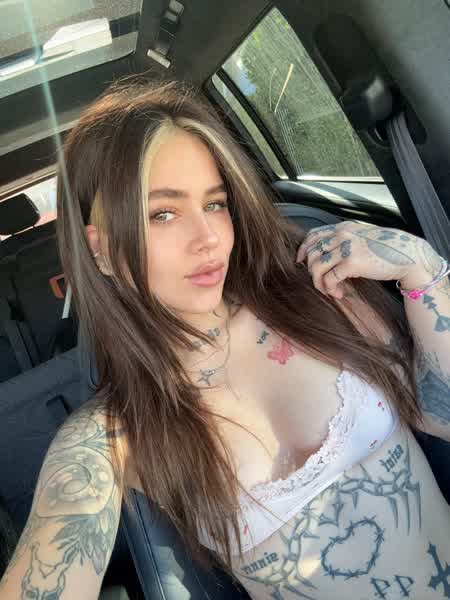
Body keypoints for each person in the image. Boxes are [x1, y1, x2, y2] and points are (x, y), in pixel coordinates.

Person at [0, 78, 449, 600]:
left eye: (215, 204)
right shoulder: (116, 434)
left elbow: (437, 410)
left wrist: (423, 271)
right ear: (100, 250)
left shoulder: (316, 288)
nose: (209, 238)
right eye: (162, 213)